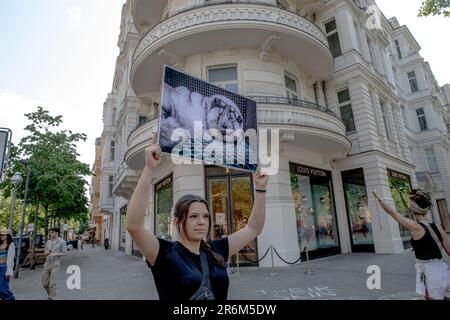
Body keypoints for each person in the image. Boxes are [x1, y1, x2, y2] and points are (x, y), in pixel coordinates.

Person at [126, 136, 268, 300]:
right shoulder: (165, 253)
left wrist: (261, 189)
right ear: (177, 221)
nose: (202, 222)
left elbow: (254, 228)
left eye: (206, 216)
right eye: (193, 216)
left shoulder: (217, 249)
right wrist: (149, 169)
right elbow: (133, 226)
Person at [373, 189, 450, 300]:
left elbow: (392, 213)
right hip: (444, 271)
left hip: (431, 275)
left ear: (413, 209)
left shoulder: (416, 227)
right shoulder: (438, 226)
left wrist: (378, 198)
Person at [42, 227, 67, 300]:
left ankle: (52, 297)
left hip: (55, 264)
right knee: (44, 283)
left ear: (57, 233)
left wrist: (55, 254)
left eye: (52, 232)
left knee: (52, 283)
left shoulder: (62, 242)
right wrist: (46, 252)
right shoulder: (48, 242)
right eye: (50, 232)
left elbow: (65, 253)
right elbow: (45, 252)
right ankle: (52, 293)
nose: (50, 234)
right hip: (47, 263)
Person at [0, 229, 15, 300]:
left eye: (3, 235)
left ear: (8, 236)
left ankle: (10, 298)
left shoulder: (11, 245)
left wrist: (9, 271)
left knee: (2, 289)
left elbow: (11, 259)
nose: (1, 236)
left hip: (4, 268)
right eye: (0, 235)